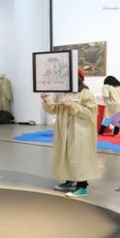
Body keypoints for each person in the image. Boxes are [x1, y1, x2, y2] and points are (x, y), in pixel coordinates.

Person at [41, 68, 99, 197]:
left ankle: (82, 186)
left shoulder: (86, 93)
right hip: (63, 130)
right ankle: (69, 181)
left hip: (79, 130)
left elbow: (91, 113)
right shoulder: (61, 93)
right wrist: (46, 100)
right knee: (65, 154)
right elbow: (53, 109)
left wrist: (73, 106)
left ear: (78, 79)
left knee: (78, 156)